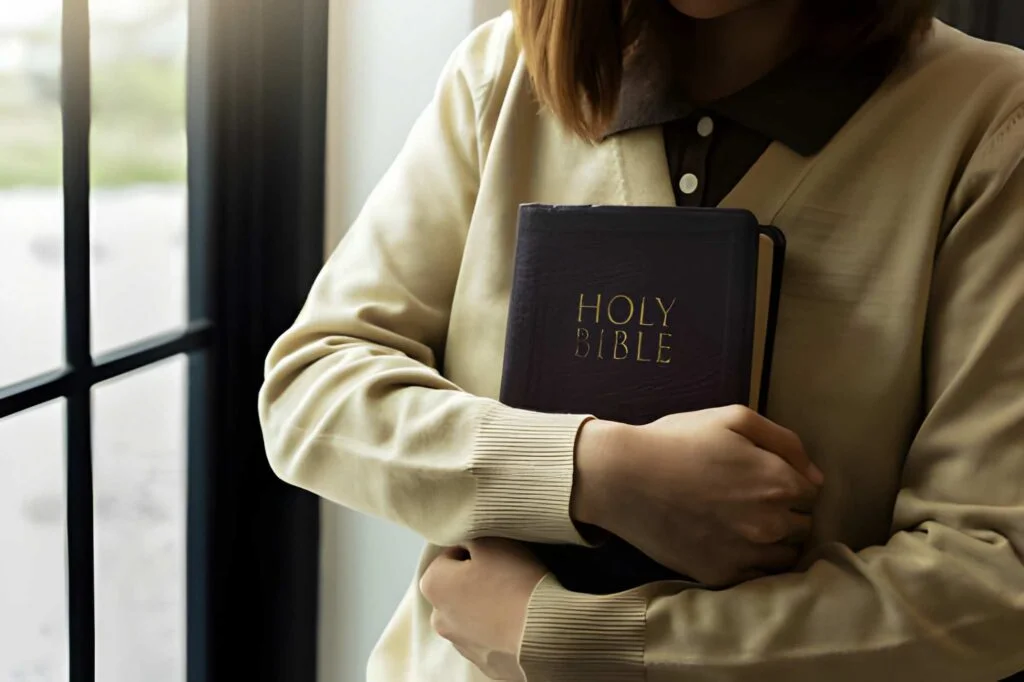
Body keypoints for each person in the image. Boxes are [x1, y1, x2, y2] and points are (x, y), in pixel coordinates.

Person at [258, 0, 1024, 679]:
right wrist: (598, 472)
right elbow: (311, 391)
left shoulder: (990, 121)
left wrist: (579, 639)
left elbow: (992, 586)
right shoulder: (501, 76)